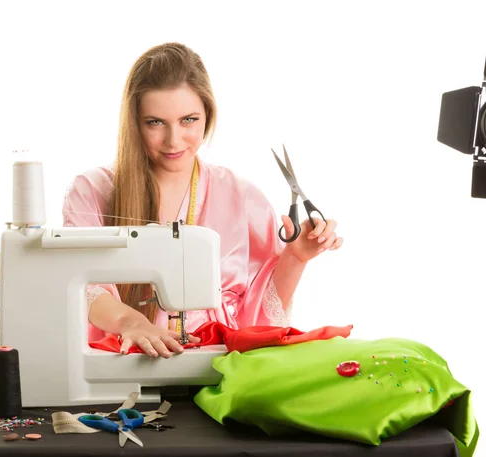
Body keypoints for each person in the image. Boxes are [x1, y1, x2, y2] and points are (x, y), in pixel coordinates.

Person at [62, 42, 343, 359]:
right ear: (133, 121)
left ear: (208, 114)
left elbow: (260, 320)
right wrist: (132, 321)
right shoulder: (91, 191)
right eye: (155, 122)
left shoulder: (243, 196)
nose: (173, 140)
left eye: (188, 120)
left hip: (216, 364)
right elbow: (84, 285)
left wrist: (296, 258)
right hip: (122, 365)